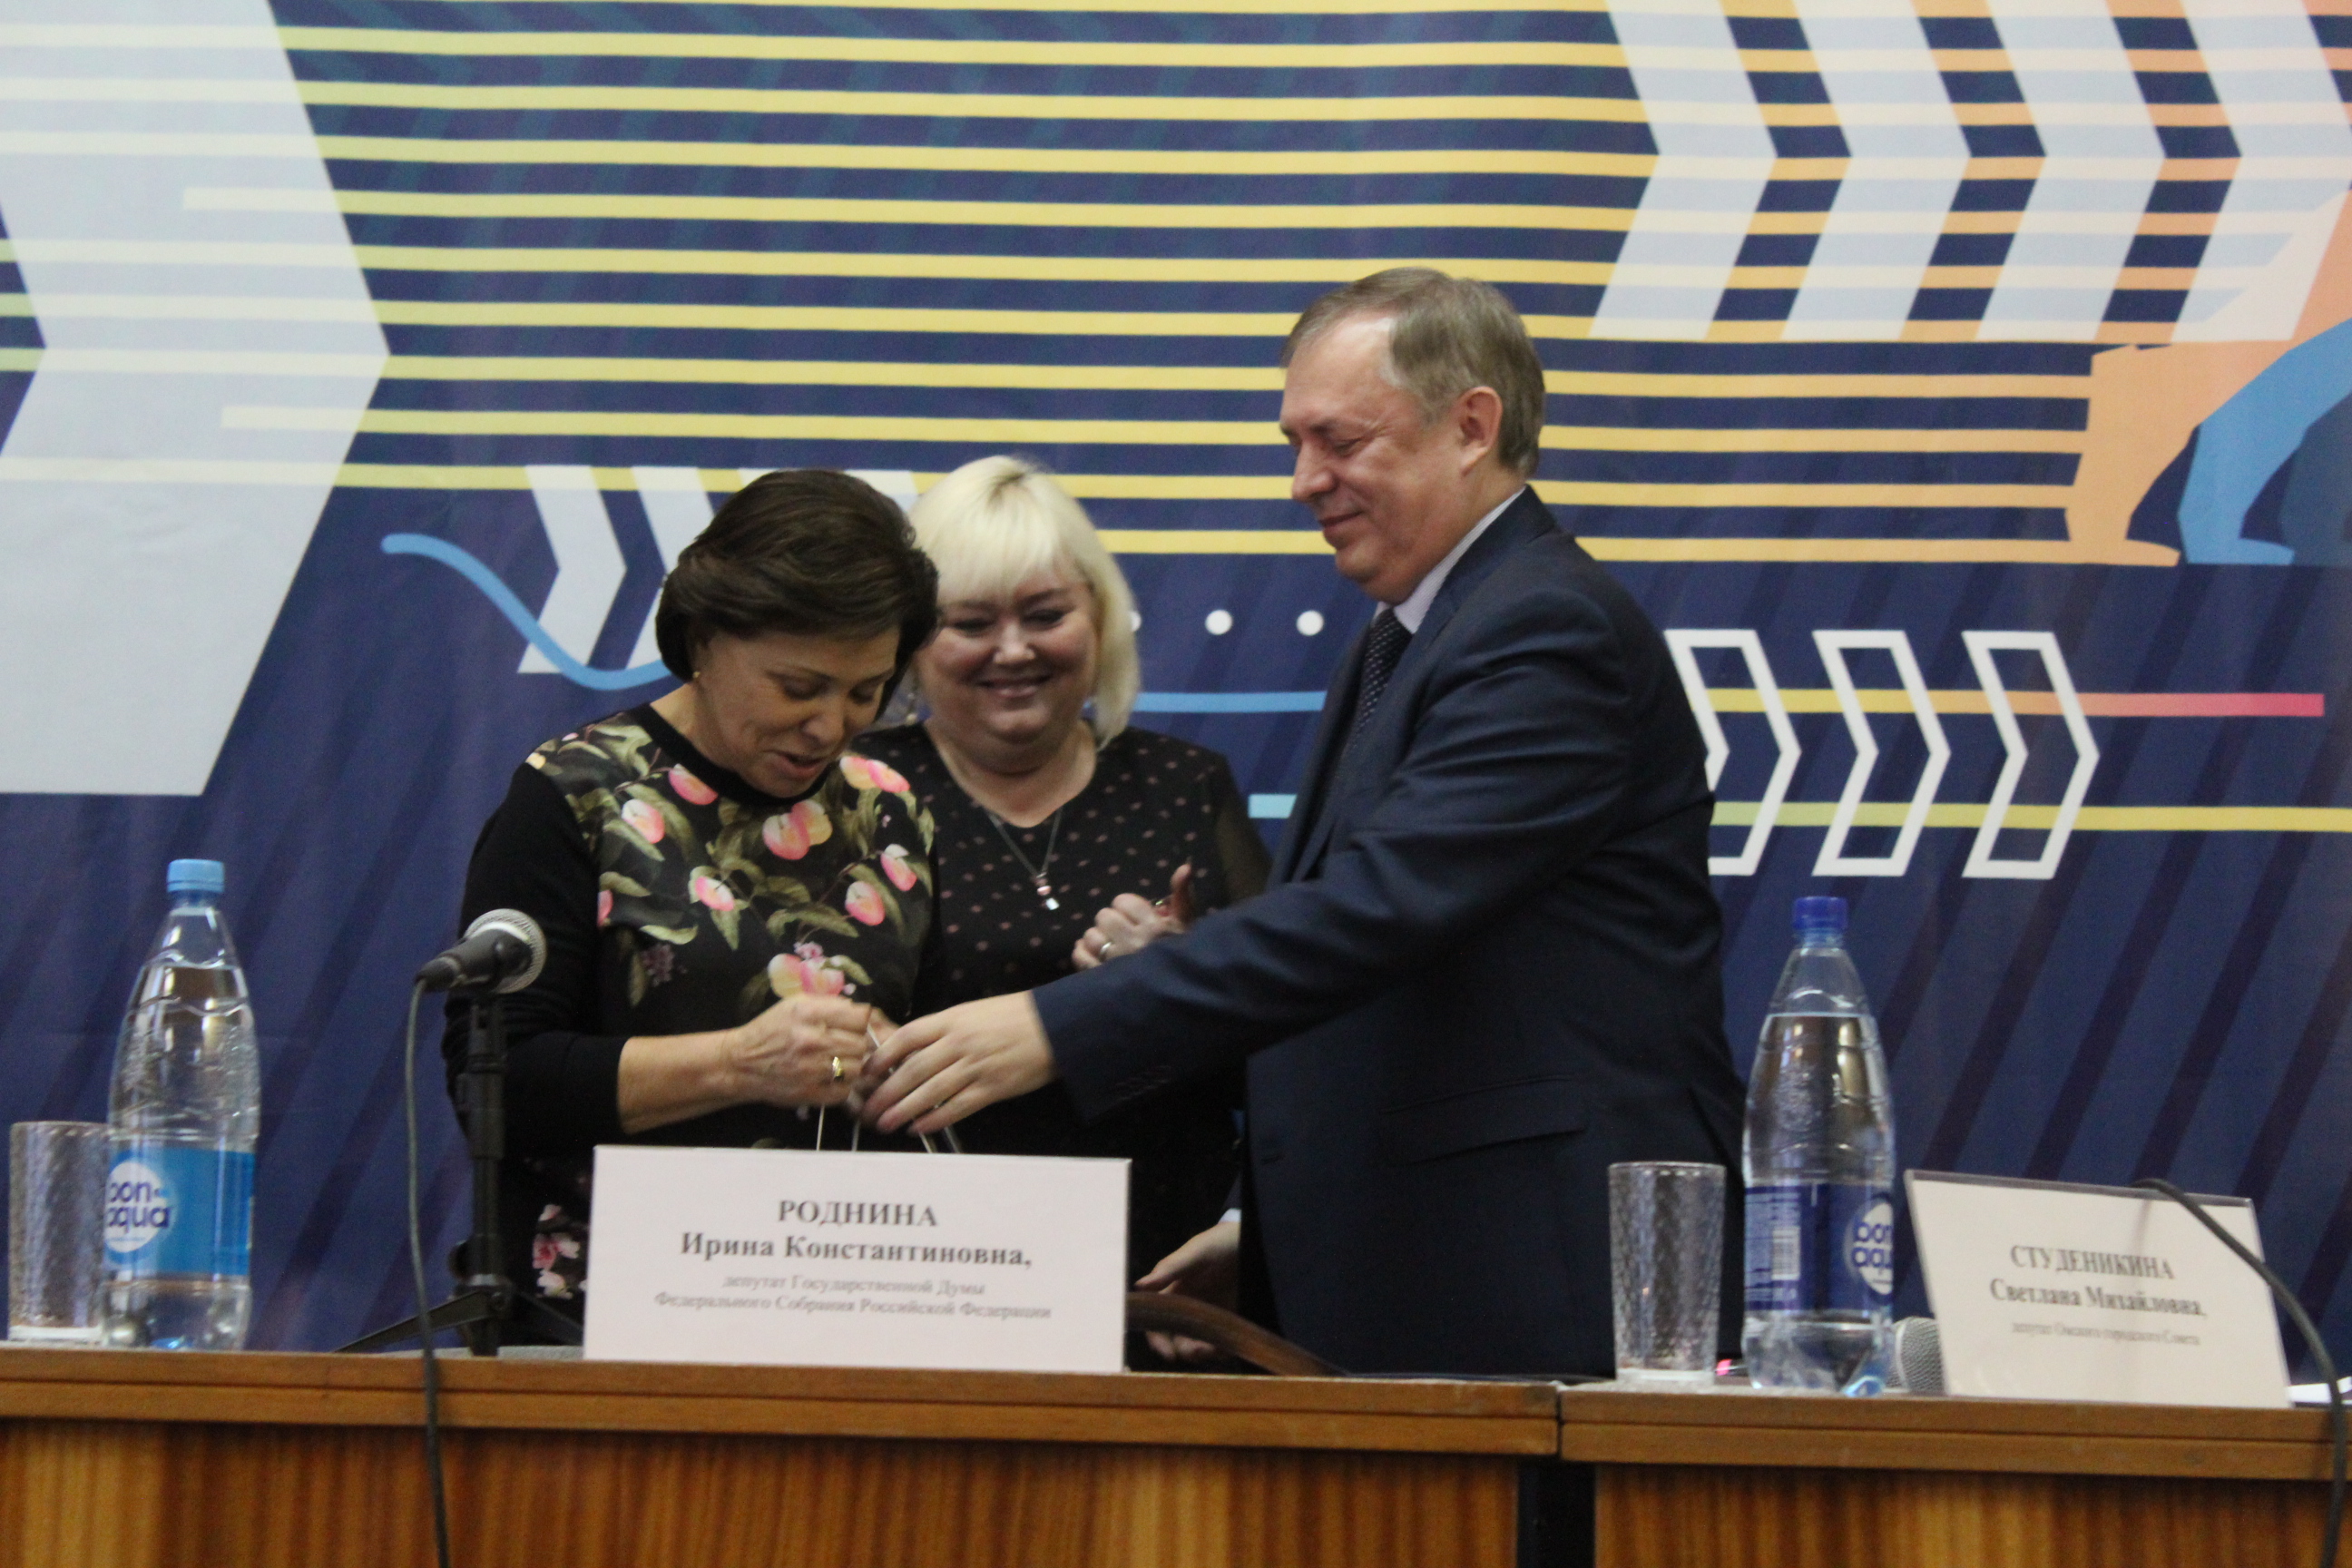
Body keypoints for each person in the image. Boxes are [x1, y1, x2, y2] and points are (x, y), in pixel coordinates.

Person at [862, 270, 1747, 1377]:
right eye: (1296, 443)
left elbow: (1379, 912)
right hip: (1433, 1261)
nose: (1302, 481)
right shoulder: (1414, 633)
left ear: (1471, 427)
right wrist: (1269, 1230)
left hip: (1533, 1274)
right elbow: (1394, 974)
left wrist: (1054, 1024)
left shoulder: (1542, 631)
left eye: (1339, 441)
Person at [443, 469, 940, 1318]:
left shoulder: (889, 811)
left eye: (866, 692)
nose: (831, 727)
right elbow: (499, 1084)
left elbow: (921, 1062)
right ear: (704, 640)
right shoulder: (579, 796)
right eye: (798, 687)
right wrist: (741, 1062)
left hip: (844, 1300)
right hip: (601, 1314)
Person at [855, 456, 1269, 1288]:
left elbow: (1287, 1064)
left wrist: (1183, 976)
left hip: (1164, 1279)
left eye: (1045, 615)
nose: (1013, 650)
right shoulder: (856, 792)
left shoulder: (1186, 786)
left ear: (1100, 619)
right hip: (921, 1270)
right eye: (972, 623)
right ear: (912, 641)